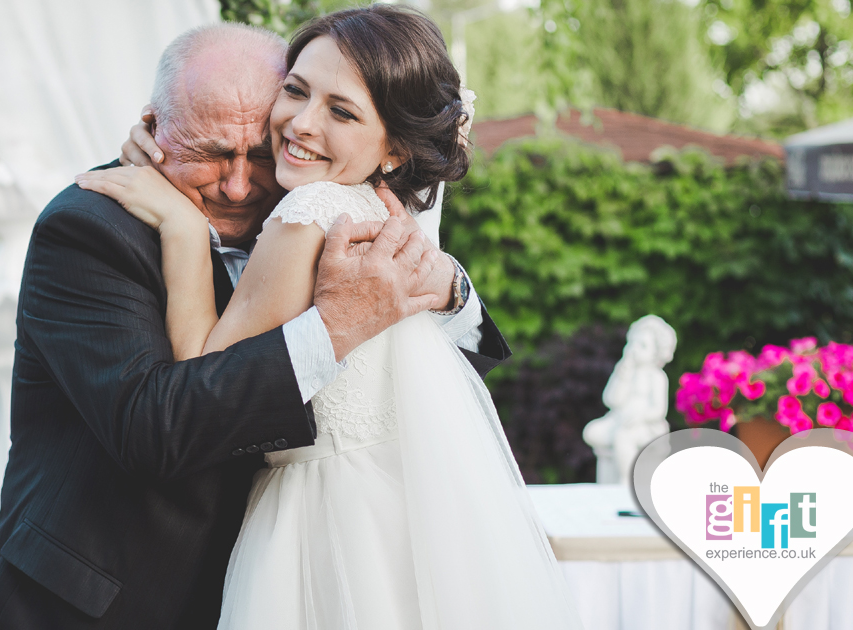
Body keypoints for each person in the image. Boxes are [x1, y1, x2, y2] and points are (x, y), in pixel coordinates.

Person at [0, 15, 512, 630]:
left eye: (258, 151)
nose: (240, 183)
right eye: (212, 153)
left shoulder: (314, 197)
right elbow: (157, 428)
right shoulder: (90, 229)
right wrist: (329, 325)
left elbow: (438, 372)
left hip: (293, 576)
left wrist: (447, 288)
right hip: (98, 606)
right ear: (152, 128)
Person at [76, 6, 582, 630]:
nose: (300, 123)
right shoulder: (366, 207)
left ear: (394, 150)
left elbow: (206, 376)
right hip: (403, 513)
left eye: (341, 112)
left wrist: (180, 228)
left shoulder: (312, 209)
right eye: (294, 91)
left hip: (324, 516)